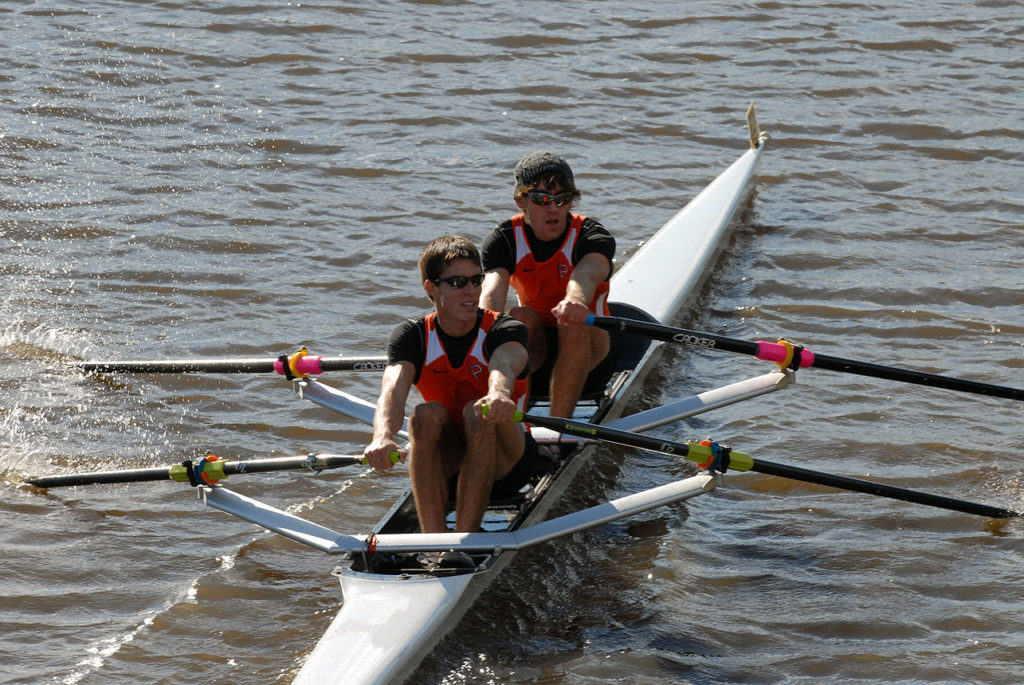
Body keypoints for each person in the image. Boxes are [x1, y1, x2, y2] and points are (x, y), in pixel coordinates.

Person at [363, 235, 537, 549]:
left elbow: (504, 364)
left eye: (475, 280)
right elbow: (392, 391)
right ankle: (435, 542)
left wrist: (498, 393)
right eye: (458, 282)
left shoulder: (505, 329)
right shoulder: (411, 335)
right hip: (452, 460)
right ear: (431, 288)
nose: (471, 291)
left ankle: (462, 543)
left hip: (508, 461)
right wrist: (382, 436)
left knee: (478, 410)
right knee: (424, 414)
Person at [480, 151, 615, 418]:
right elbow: (491, 293)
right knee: (518, 316)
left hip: (592, 353)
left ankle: (558, 429)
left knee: (573, 320)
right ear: (521, 201)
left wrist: (575, 300)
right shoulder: (504, 239)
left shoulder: (592, 235)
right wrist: (477, 329)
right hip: (536, 352)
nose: (553, 208)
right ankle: (510, 417)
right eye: (542, 199)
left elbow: (586, 274)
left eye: (562, 199)